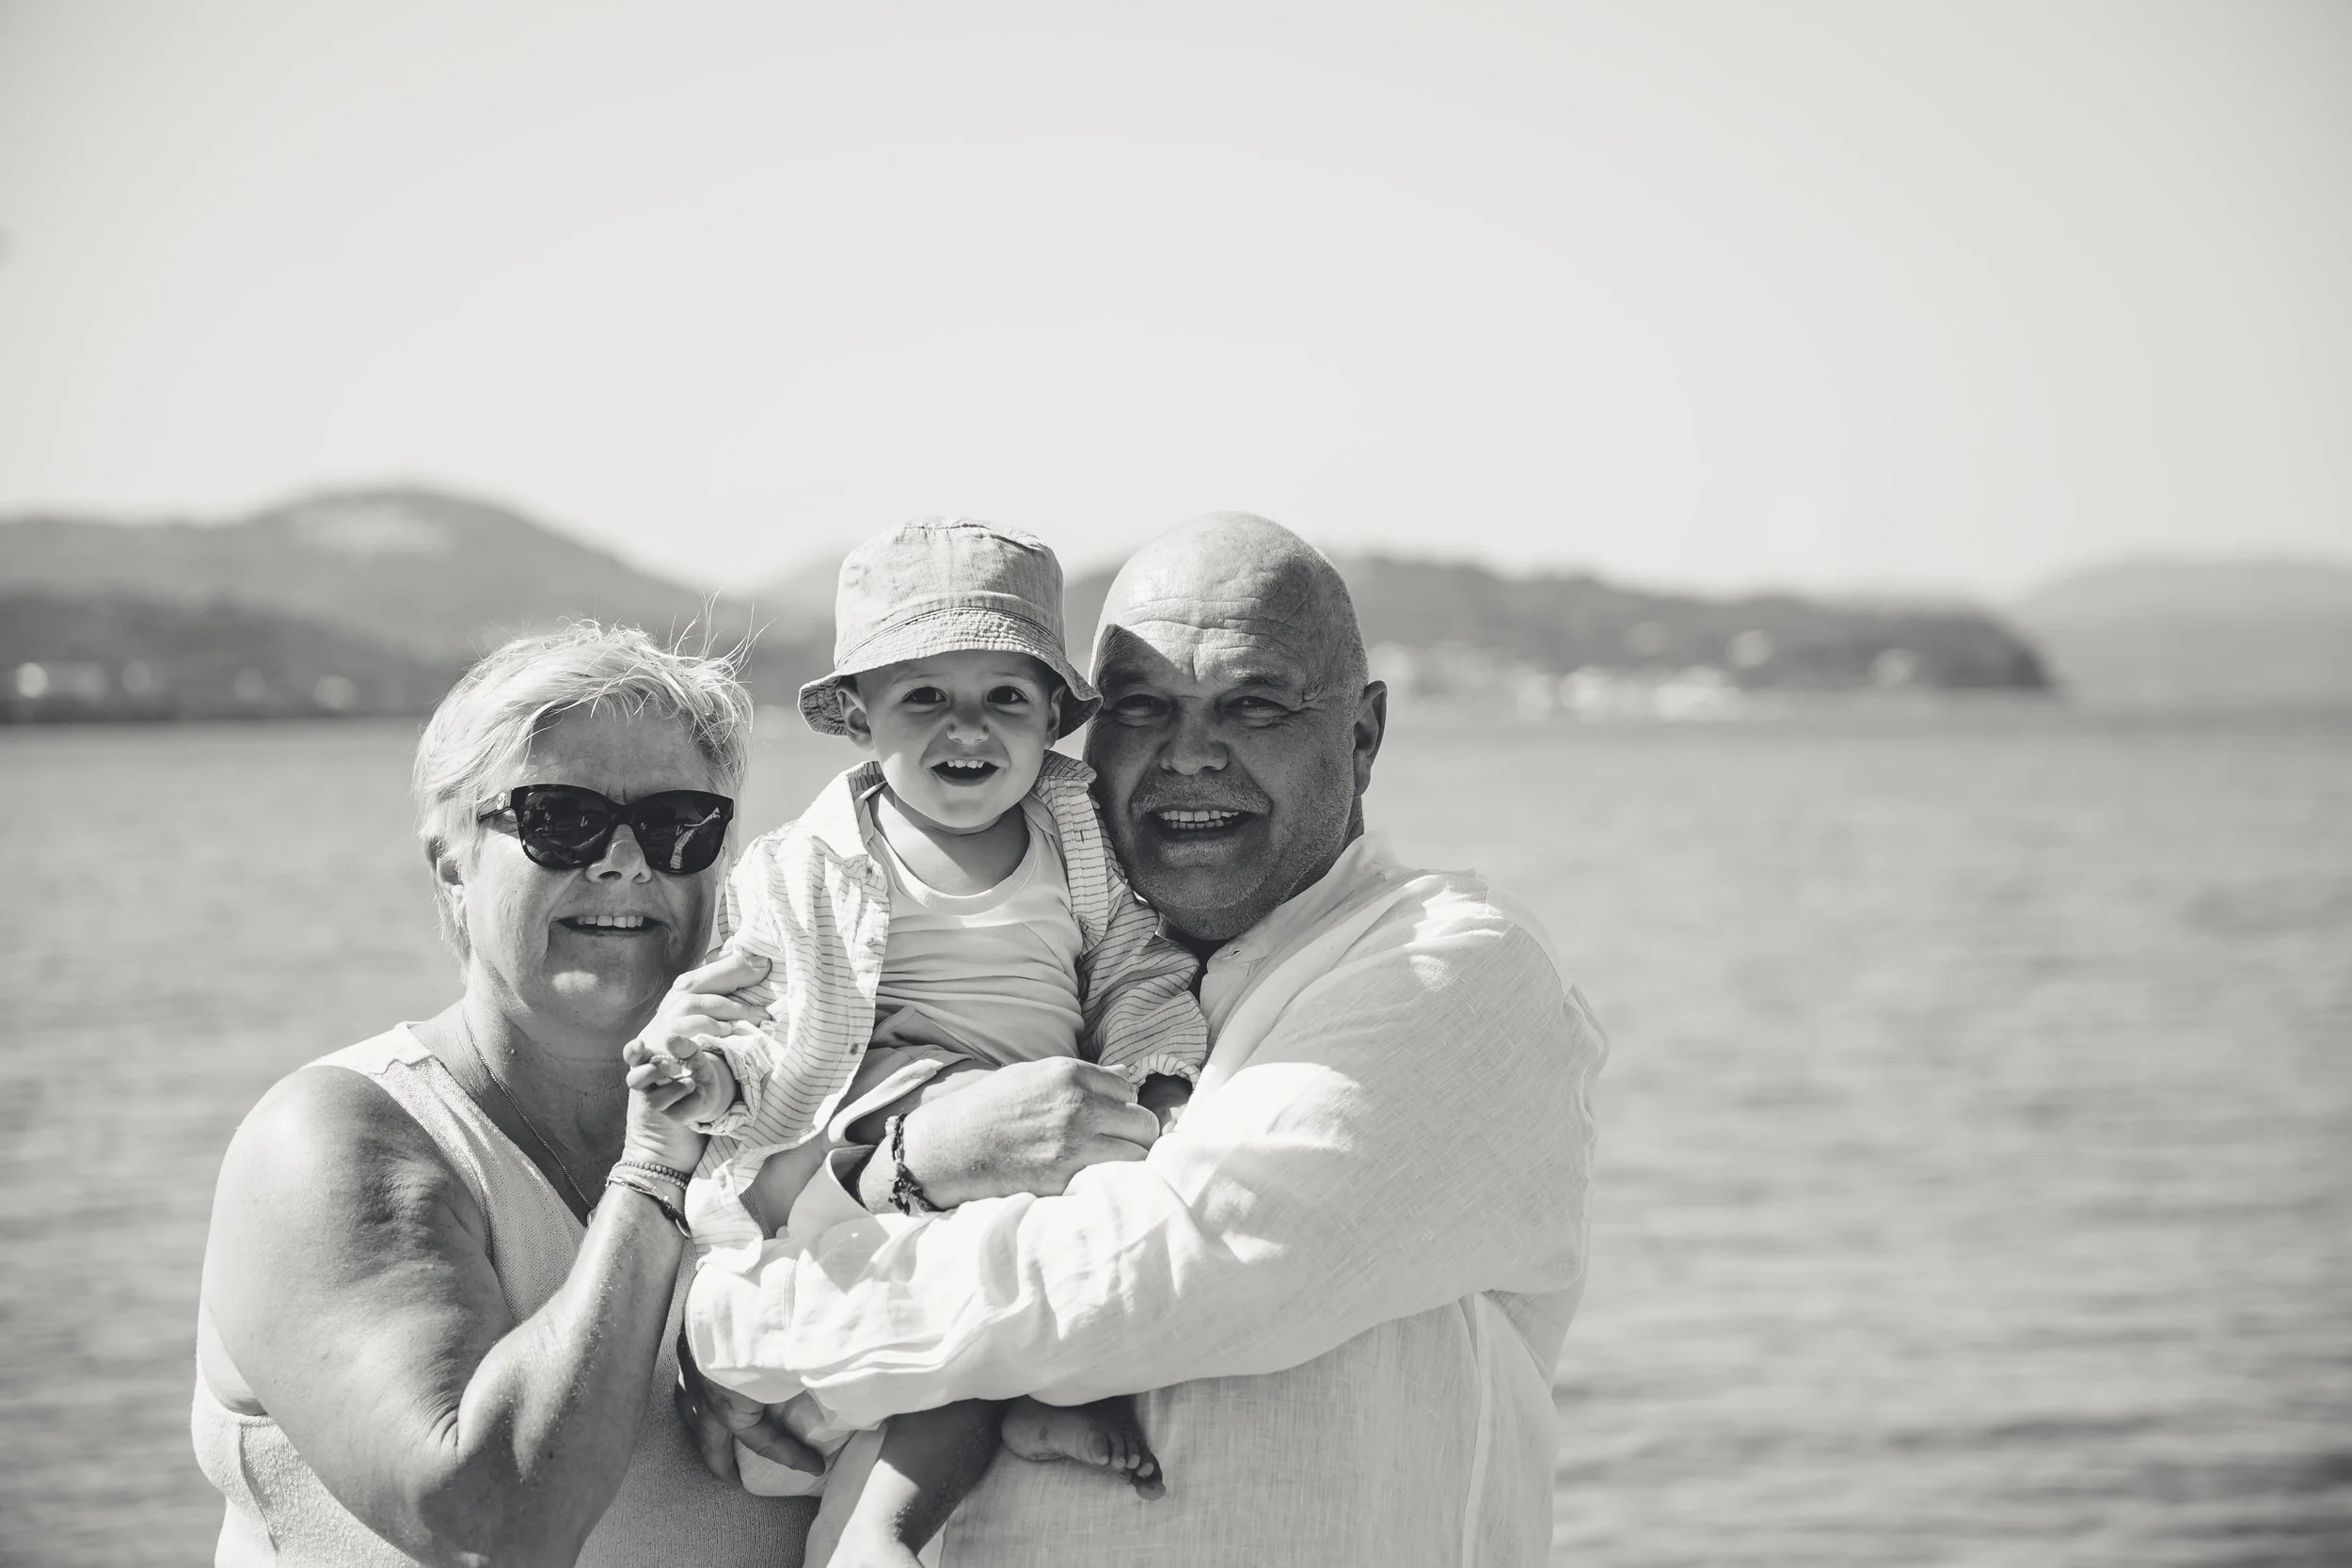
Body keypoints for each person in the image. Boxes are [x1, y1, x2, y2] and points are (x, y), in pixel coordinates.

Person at [681, 513, 1608, 1566]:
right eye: (1140, 707)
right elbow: (775, 1417)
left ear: (1362, 735)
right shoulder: (1028, 966)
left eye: (1252, 704)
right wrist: (899, 1163)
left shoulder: (1451, 964)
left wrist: (740, 1325)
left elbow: (1157, 1270)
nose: (1190, 753)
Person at [630, 519, 1208, 1564]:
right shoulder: (804, 864)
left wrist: (1157, 1076)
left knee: (1027, 1285)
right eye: (926, 697)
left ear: (1053, 716)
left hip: (1034, 1112)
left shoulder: (1075, 830)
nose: (967, 728)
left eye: (1006, 697)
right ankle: (896, 1511)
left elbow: (1133, 964)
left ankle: (925, 1491)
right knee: (944, 1266)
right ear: (860, 714)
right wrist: (708, 1078)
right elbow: (762, 1015)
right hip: (882, 1099)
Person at [193, 625, 812, 1567]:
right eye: (560, 819)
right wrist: (651, 1173)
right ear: (450, 860)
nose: (624, 860)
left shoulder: (781, 1123)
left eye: (676, 823)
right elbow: (492, 1523)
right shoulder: (330, 1140)